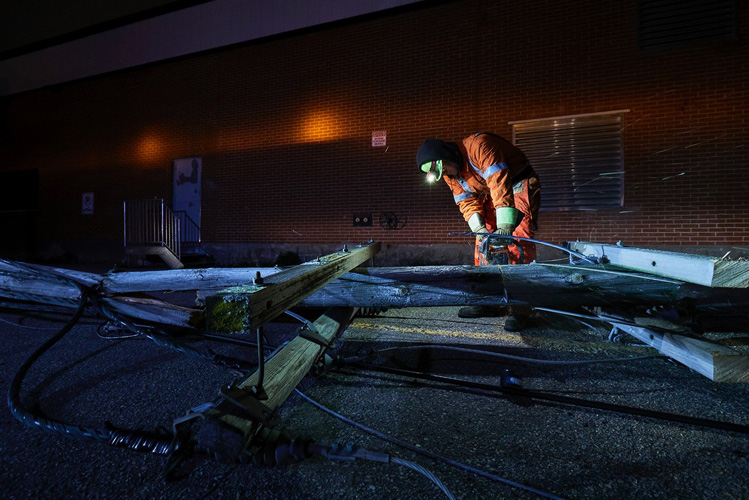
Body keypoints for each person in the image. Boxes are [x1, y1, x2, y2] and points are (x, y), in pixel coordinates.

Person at [416, 132, 541, 331]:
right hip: (491, 193)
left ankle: (521, 310)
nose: (447, 175)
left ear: (449, 157)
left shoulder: (480, 146)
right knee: (484, 245)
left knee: (517, 242)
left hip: (517, 183)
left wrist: (506, 225)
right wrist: (480, 230)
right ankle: (489, 301)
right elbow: (465, 202)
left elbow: (499, 182)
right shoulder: (451, 175)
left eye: (445, 169)